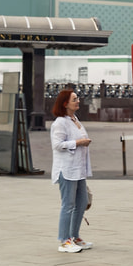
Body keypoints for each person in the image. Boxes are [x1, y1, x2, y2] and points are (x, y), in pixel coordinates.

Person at [51, 89, 93, 253]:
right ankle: (64, 240)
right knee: (68, 205)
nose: (78, 101)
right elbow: (57, 144)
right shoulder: (60, 122)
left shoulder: (74, 119)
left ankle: (74, 236)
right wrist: (78, 142)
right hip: (66, 169)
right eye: (74, 99)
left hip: (78, 169)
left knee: (81, 203)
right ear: (65, 103)